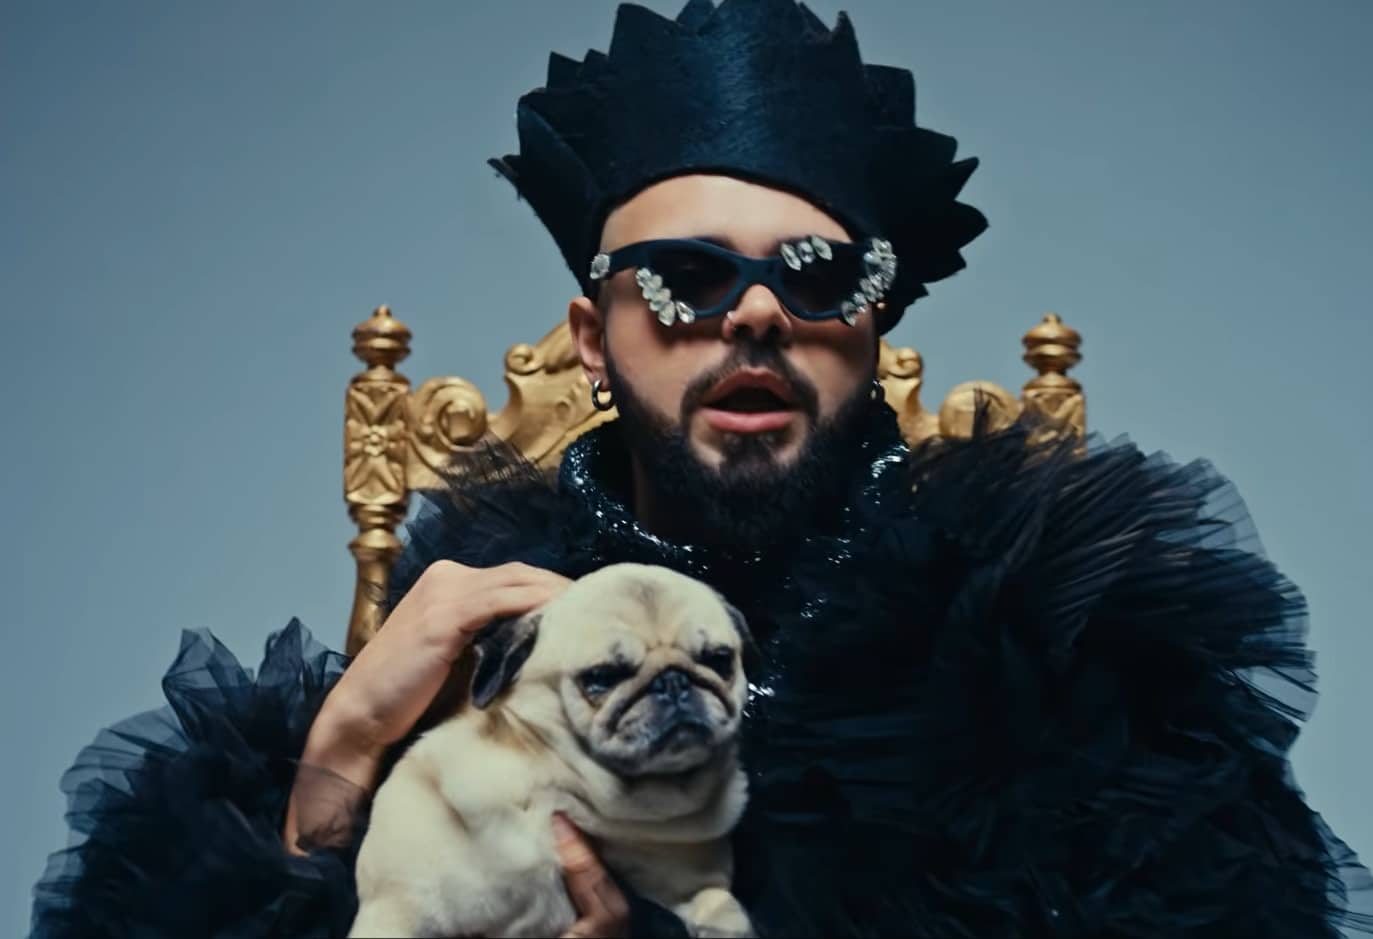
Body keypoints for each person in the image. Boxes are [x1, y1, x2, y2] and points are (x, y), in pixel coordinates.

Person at [31, 1, 1372, 936]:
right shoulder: (468, 642)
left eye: (818, 275)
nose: (755, 314)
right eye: (684, 276)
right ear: (590, 338)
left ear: (873, 328)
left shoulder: (1059, 646)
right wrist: (338, 757)